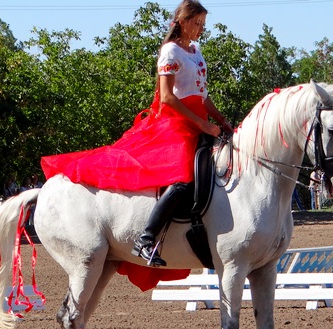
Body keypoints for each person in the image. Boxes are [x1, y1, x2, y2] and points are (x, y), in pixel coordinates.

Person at [40, 0, 232, 267]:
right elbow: (167, 97)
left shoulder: (196, 52)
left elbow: (202, 94)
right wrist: (202, 124)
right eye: (197, 23)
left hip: (199, 120)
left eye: (203, 24)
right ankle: (147, 238)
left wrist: (221, 119)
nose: (201, 29)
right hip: (176, 124)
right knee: (184, 179)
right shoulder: (170, 52)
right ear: (183, 22)